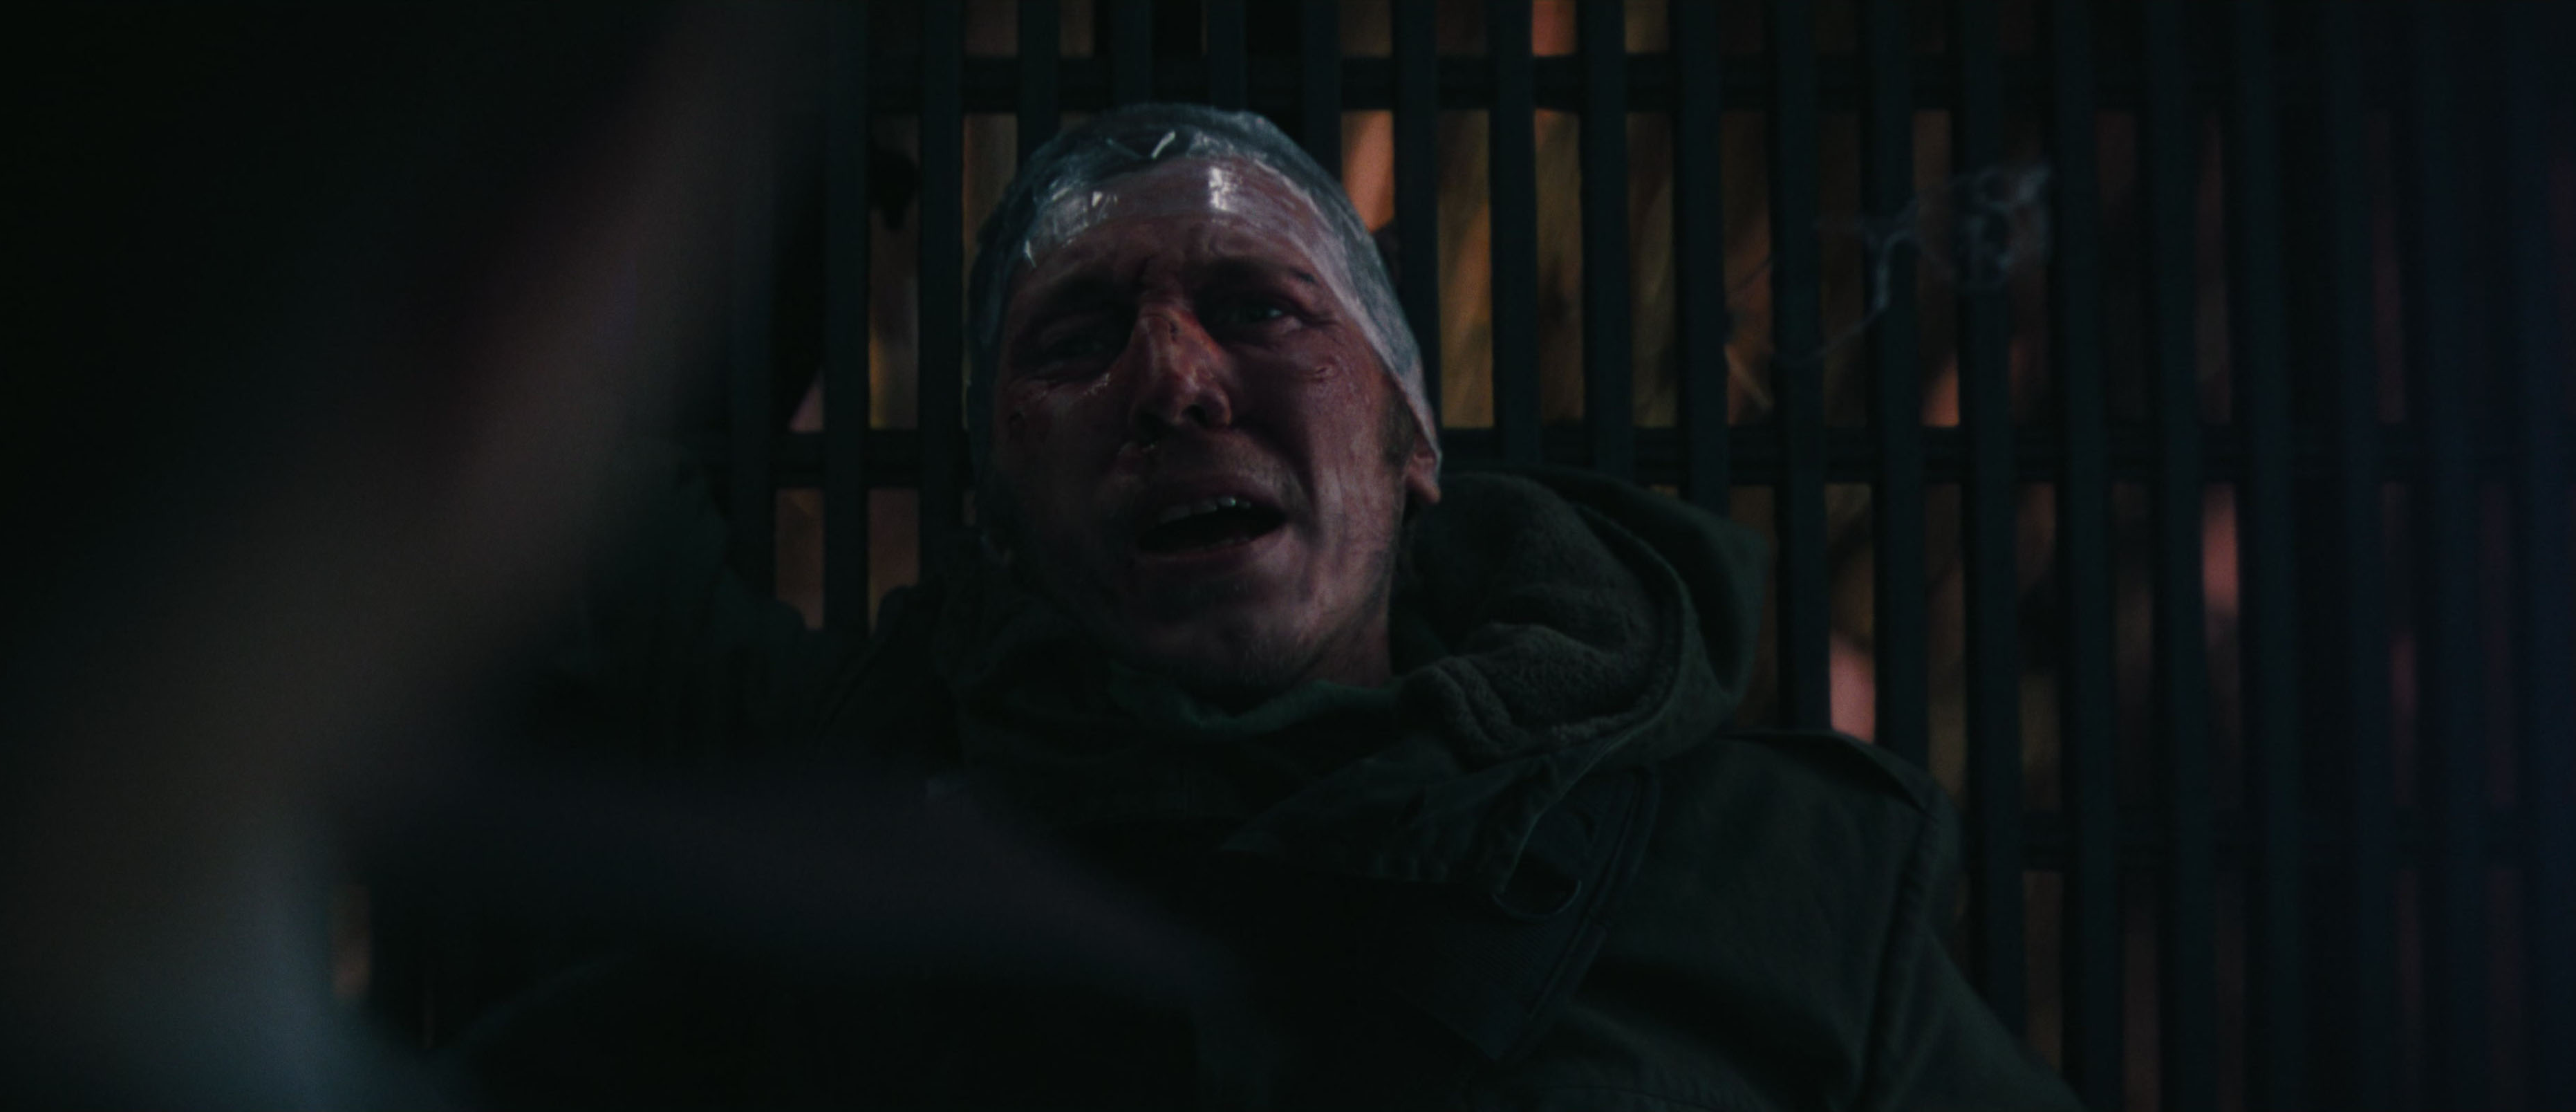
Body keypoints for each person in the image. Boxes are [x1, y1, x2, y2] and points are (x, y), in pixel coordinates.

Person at [463, 103, 2085, 1111]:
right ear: (1002, 508)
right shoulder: (854, 825)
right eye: (1075, 340)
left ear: (1409, 443)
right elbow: (564, 513)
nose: (1173, 378)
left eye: (1259, 308)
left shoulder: (1770, 876)